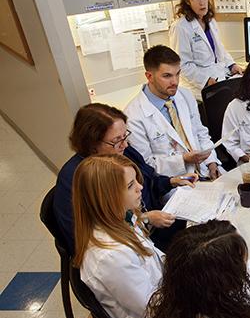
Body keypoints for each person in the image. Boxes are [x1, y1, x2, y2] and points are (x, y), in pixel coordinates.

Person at [54, 103, 196, 254]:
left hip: (156, 222)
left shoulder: (122, 152)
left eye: (125, 136)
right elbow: (91, 234)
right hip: (129, 243)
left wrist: (171, 181)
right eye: (117, 140)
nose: (125, 144)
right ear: (92, 143)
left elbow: (148, 178)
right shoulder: (76, 178)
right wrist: (143, 219)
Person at [72, 154, 164, 318]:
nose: (140, 187)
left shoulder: (122, 219)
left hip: (162, 296)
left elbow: (153, 259)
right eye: (131, 185)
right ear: (108, 197)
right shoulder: (110, 256)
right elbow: (153, 308)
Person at [125, 45, 221, 178]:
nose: (175, 82)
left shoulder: (185, 95)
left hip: (205, 170)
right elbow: (146, 165)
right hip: (174, 182)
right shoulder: (134, 116)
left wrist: (212, 164)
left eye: (177, 74)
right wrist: (183, 159)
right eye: (167, 76)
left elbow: (201, 134)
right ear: (149, 76)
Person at [169, 0, 242, 97]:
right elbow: (183, 65)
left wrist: (232, 65)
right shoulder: (180, 27)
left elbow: (220, 49)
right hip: (198, 88)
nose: (202, 2)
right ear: (187, 1)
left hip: (219, 78)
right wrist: (206, 80)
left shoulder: (210, 21)